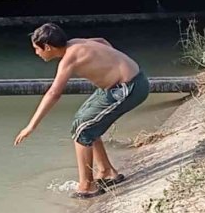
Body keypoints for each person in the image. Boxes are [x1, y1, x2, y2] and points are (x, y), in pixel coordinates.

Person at [14, 23, 150, 199]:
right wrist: (110, 65)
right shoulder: (76, 43)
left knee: (83, 130)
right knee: (82, 120)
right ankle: (106, 171)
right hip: (120, 85)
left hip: (129, 88)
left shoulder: (69, 58)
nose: (36, 53)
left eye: (36, 49)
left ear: (47, 47)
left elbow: (54, 93)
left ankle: (87, 186)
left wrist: (31, 126)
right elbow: (102, 41)